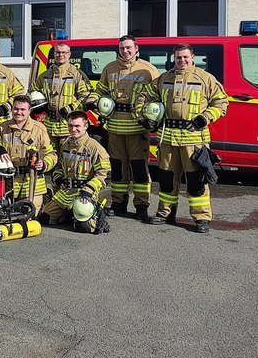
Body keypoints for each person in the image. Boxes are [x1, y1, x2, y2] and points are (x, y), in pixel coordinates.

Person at [137, 43, 229, 233]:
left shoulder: (205, 79)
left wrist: (205, 118)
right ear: (174, 58)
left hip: (193, 140)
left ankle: (201, 218)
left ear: (193, 58)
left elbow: (222, 102)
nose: (182, 60)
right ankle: (165, 213)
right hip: (167, 138)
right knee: (167, 179)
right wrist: (145, 117)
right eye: (179, 57)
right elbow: (144, 96)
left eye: (185, 57)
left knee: (196, 181)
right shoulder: (164, 78)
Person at [95, 35, 159, 220]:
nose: (125, 51)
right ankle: (118, 203)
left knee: (139, 169)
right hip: (115, 128)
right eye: (122, 48)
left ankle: (141, 206)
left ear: (136, 48)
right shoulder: (109, 68)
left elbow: (157, 95)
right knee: (117, 168)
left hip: (137, 128)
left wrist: (152, 118)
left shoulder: (148, 70)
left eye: (129, 47)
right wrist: (95, 102)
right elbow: (100, 90)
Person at [38, 111, 110, 233]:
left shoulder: (95, 148)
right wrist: (59, 179)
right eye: (70, 125)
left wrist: (88, 191)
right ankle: (69, 213)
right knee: (45, 218)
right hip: (66, 193)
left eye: (77, 126)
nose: (73, 129)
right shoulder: (66, 145)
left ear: (85, 126)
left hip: (84, 194)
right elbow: (59, 167)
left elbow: (104, 174)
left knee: (84, 227)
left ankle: (96, 216)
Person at [0, 95, 57, 214]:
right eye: (16, 109)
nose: (19, 112)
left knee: (29, 216)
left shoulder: (39, 129)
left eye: (23, 109)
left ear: (29, 111)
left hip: (33, 185)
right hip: (8, 184)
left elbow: (51, 154)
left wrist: (44, 164)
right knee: (6, 217)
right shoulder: (3, 128)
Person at [30, 41, 94, 155]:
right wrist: (40, 105)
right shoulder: (45, 75)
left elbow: (85, 97)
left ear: (69, 54)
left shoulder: (77, 74)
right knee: (49, 156)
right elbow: (32, 92)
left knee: (68, 157)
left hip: (68, 126)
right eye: (58, 52)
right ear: (54, 54)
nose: (61, 55)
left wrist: (69, 109)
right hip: (49, 126)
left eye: (64, 52)